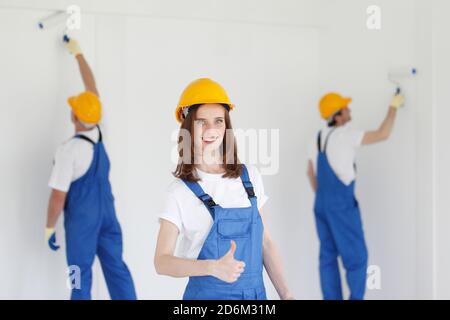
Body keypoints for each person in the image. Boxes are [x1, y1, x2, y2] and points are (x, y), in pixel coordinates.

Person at [154, 78, 293, 300]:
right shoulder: (179, 192)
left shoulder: (250, 177)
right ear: (188, 126)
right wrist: (211, 267)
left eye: (219, 121)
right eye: (202, 122)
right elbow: (161, 261)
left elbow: (265, 242)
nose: (211, 129)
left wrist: (286, 294)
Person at [45, 38, 136, 300]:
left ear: (74, 116)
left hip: (81, 223)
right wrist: (79, 54)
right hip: (108, 216)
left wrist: (49, 227)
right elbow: (92, 88)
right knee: (117, 270)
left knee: (78, 276)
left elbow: (58, 197)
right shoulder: (99, 130)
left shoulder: (68, 151)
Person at [307, 92, 405, 300]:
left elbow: (310, 172)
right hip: (340, 205)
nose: (349, 110)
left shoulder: (317, 138)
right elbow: (383, 133)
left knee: (328, 258)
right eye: (346, 108)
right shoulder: (345, 136)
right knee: (357, 258)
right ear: (338, 115)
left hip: (321, 204)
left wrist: (324, 197)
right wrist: (393, 106)